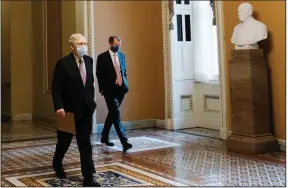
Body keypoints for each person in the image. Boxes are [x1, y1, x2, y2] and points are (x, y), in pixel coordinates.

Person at [51, 33, 100, 187]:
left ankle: (88, 178)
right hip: (69, 111)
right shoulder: (63, 63)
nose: (83, 46)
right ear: (72, 46)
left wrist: (91, 102)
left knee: (84, 143)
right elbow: (56, 88)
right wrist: (59, 106)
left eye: (85, 43)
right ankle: (57, 162)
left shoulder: (90, 61)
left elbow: (90, 84)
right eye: (80, 44)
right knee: (64, 142)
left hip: (86, 109)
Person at [96, 36, 132, 153]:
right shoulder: (102, 57)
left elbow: (124, 71)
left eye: (119, 45)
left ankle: (104, 137)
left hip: (121, 89)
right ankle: (124, 141)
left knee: (113, 113)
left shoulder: (122, 56)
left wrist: (125, 84)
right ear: (110, 43)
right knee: (116, 114)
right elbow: (99, 74)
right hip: (109, 90)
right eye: (115, 45)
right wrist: (102, 89)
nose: (117, 47)